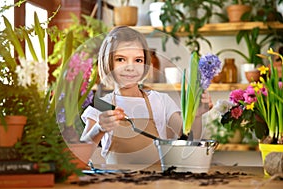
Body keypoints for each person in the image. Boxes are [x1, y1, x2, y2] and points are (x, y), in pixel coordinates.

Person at [80, 26, 212, 165]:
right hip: (116, 184)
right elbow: (80, 156)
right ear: (108, 63)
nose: (130, 67)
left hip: (157, 184)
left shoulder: (160, 101)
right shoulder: (101, 107)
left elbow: (189, 139)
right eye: (121, 59)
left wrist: (196, 116)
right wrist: (99, 129)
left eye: (138, 60)